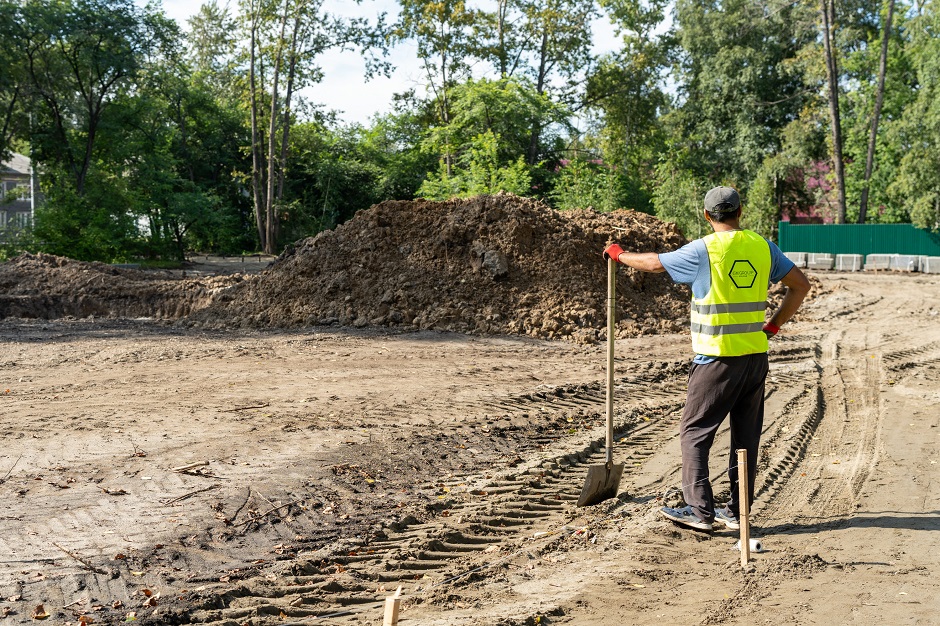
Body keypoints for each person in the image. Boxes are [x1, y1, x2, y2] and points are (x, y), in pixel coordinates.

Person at [603, 186, 810, 531]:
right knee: (746, 437)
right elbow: (800, 285)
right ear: (740, 212)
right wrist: (772, 325)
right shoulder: (763, 246)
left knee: (695, 431)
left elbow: (655, 263)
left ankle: (699, 512)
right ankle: (736, 511)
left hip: (716, 359)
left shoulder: (703, 250)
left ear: (706, 215)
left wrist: (618, 254)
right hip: (755, 356)